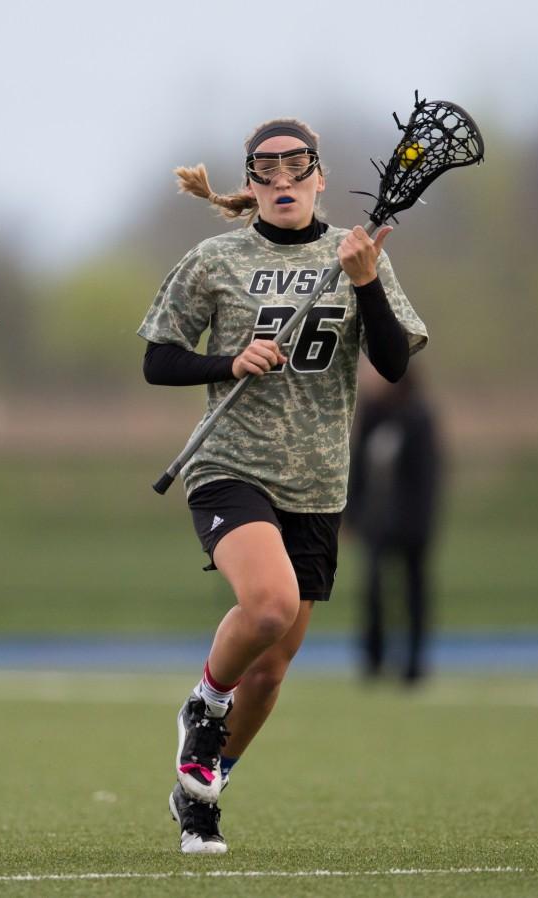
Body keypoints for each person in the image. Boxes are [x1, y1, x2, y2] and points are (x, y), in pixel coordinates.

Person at [138, 118, 428, 854]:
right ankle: (203, 705)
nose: (282, 181)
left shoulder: (357, 257)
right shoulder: (215, 259)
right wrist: (227, 361)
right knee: (266, 606)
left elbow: (394, 365)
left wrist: (365, 284)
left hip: (319, 481)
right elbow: (159, 359)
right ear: (253, 185)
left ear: (320, 178)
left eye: (296, 168)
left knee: (269, 673)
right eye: (265, 170)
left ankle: (201, 793)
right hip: (230, 467)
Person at [347, 365, 441, 684]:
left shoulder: (418, 417)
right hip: (377, 522)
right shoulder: (372, 414)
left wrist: (419, 523)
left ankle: (414, 663)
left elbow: (426, 478)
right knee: (373, 589)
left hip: (411, 524)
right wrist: (352, 514)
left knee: (414, 591)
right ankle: (373, 659)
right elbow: (358, 468)